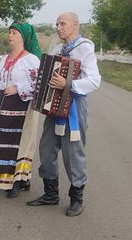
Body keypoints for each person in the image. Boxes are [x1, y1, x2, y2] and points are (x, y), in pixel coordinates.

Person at [26, 12, 101, 217]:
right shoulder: (58, 48)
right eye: (57, 23)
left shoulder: (85, 47)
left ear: (75, 25)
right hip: (54, 107)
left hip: (74, 108)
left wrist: (68, 84)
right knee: (46, 148)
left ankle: (77, 198)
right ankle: (50, 194)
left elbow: (95, 80)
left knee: (72, 153)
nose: (59, 27)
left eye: (63, 24)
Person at [0, 22, 41, 198]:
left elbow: (38, 83)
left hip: (23, 107)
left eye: (14, 33)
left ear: (23, 37)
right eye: (9, 32)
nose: (10, 36)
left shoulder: (31, 60)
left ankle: (17, 180)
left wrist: (18, 87)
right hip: (5, 106)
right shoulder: (4, 59)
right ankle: (16, 178)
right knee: (4, 143)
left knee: (21, 143)